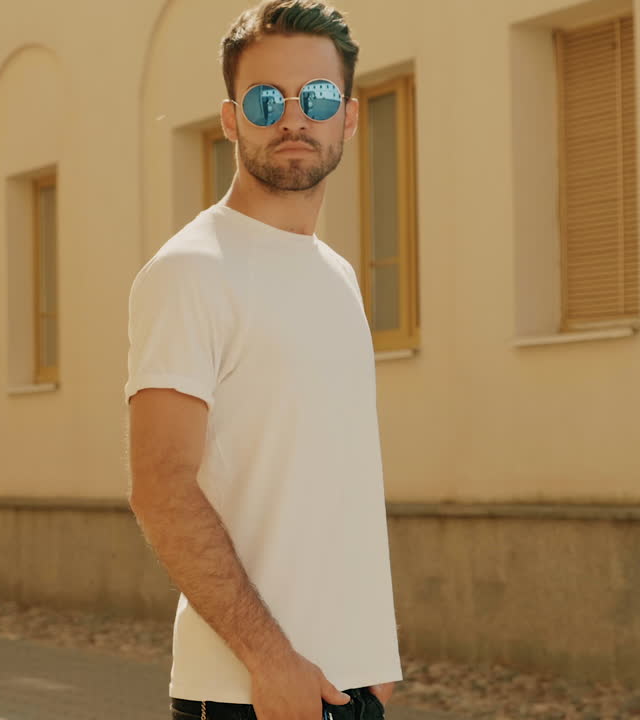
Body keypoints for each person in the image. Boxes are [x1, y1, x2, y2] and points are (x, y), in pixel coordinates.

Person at [124, 2, 401, 718]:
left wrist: (371, 651)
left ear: (346, 115)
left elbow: (326, 482)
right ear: (229, 119)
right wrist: (269, 661)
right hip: (250, 695)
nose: (291, 119)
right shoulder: (190, 271)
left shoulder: (336, 276)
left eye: (315, 98)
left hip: (346, 687)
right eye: (264, 100)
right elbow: (161, 487)